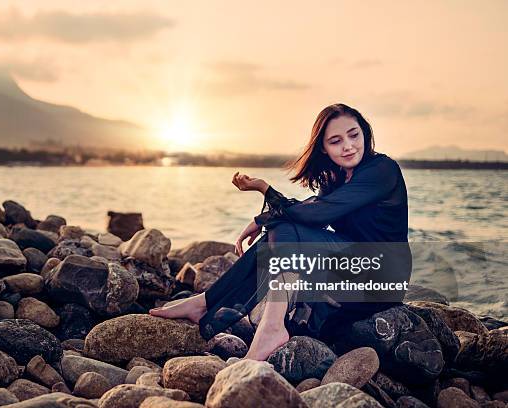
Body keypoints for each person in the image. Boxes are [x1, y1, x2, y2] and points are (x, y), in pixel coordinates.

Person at [150, 103, 411, 361]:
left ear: (364, 132)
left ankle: (260, 322)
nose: (348, 146)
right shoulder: (337, 177)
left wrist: (266, 192)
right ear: (324, 147)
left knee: (285, 229)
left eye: (354, 135)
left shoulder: (382, 170)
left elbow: (317, 213)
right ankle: (212, 305)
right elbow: (311, 216)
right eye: (336, 141)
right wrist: (265, 218)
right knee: (282, 233)